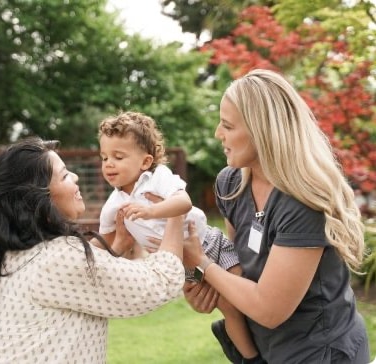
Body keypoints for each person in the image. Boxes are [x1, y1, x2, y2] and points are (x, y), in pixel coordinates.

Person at [182, 68, 370, 363]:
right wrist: (209, 290)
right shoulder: (230, 184)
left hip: (319, 353)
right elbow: (238, 269)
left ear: (262, 131)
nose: (218, 134)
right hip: (265, 350)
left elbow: (270, 309)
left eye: (228, 126)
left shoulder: (303, 201)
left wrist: (202, 264)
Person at [0, 137, 186, 364]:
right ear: (38, 200)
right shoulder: (59, 258)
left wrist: (117, 246)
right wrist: (174, 210)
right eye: (64, 176)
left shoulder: (8, 254)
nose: (75, 177)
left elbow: (74, 278)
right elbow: (159, 282)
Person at [97, 111, 260, 361]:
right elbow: (103, 246)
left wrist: (152, 211)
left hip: (208, 243)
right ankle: (252, 359)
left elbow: (183, 202)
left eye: (118, 157)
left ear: (145, 161)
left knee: (244, 292)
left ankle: (265, 347)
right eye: (104, 157)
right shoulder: (114, 205)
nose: (108, 164)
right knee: (228, 307)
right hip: (184, 266)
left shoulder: (157, 177)